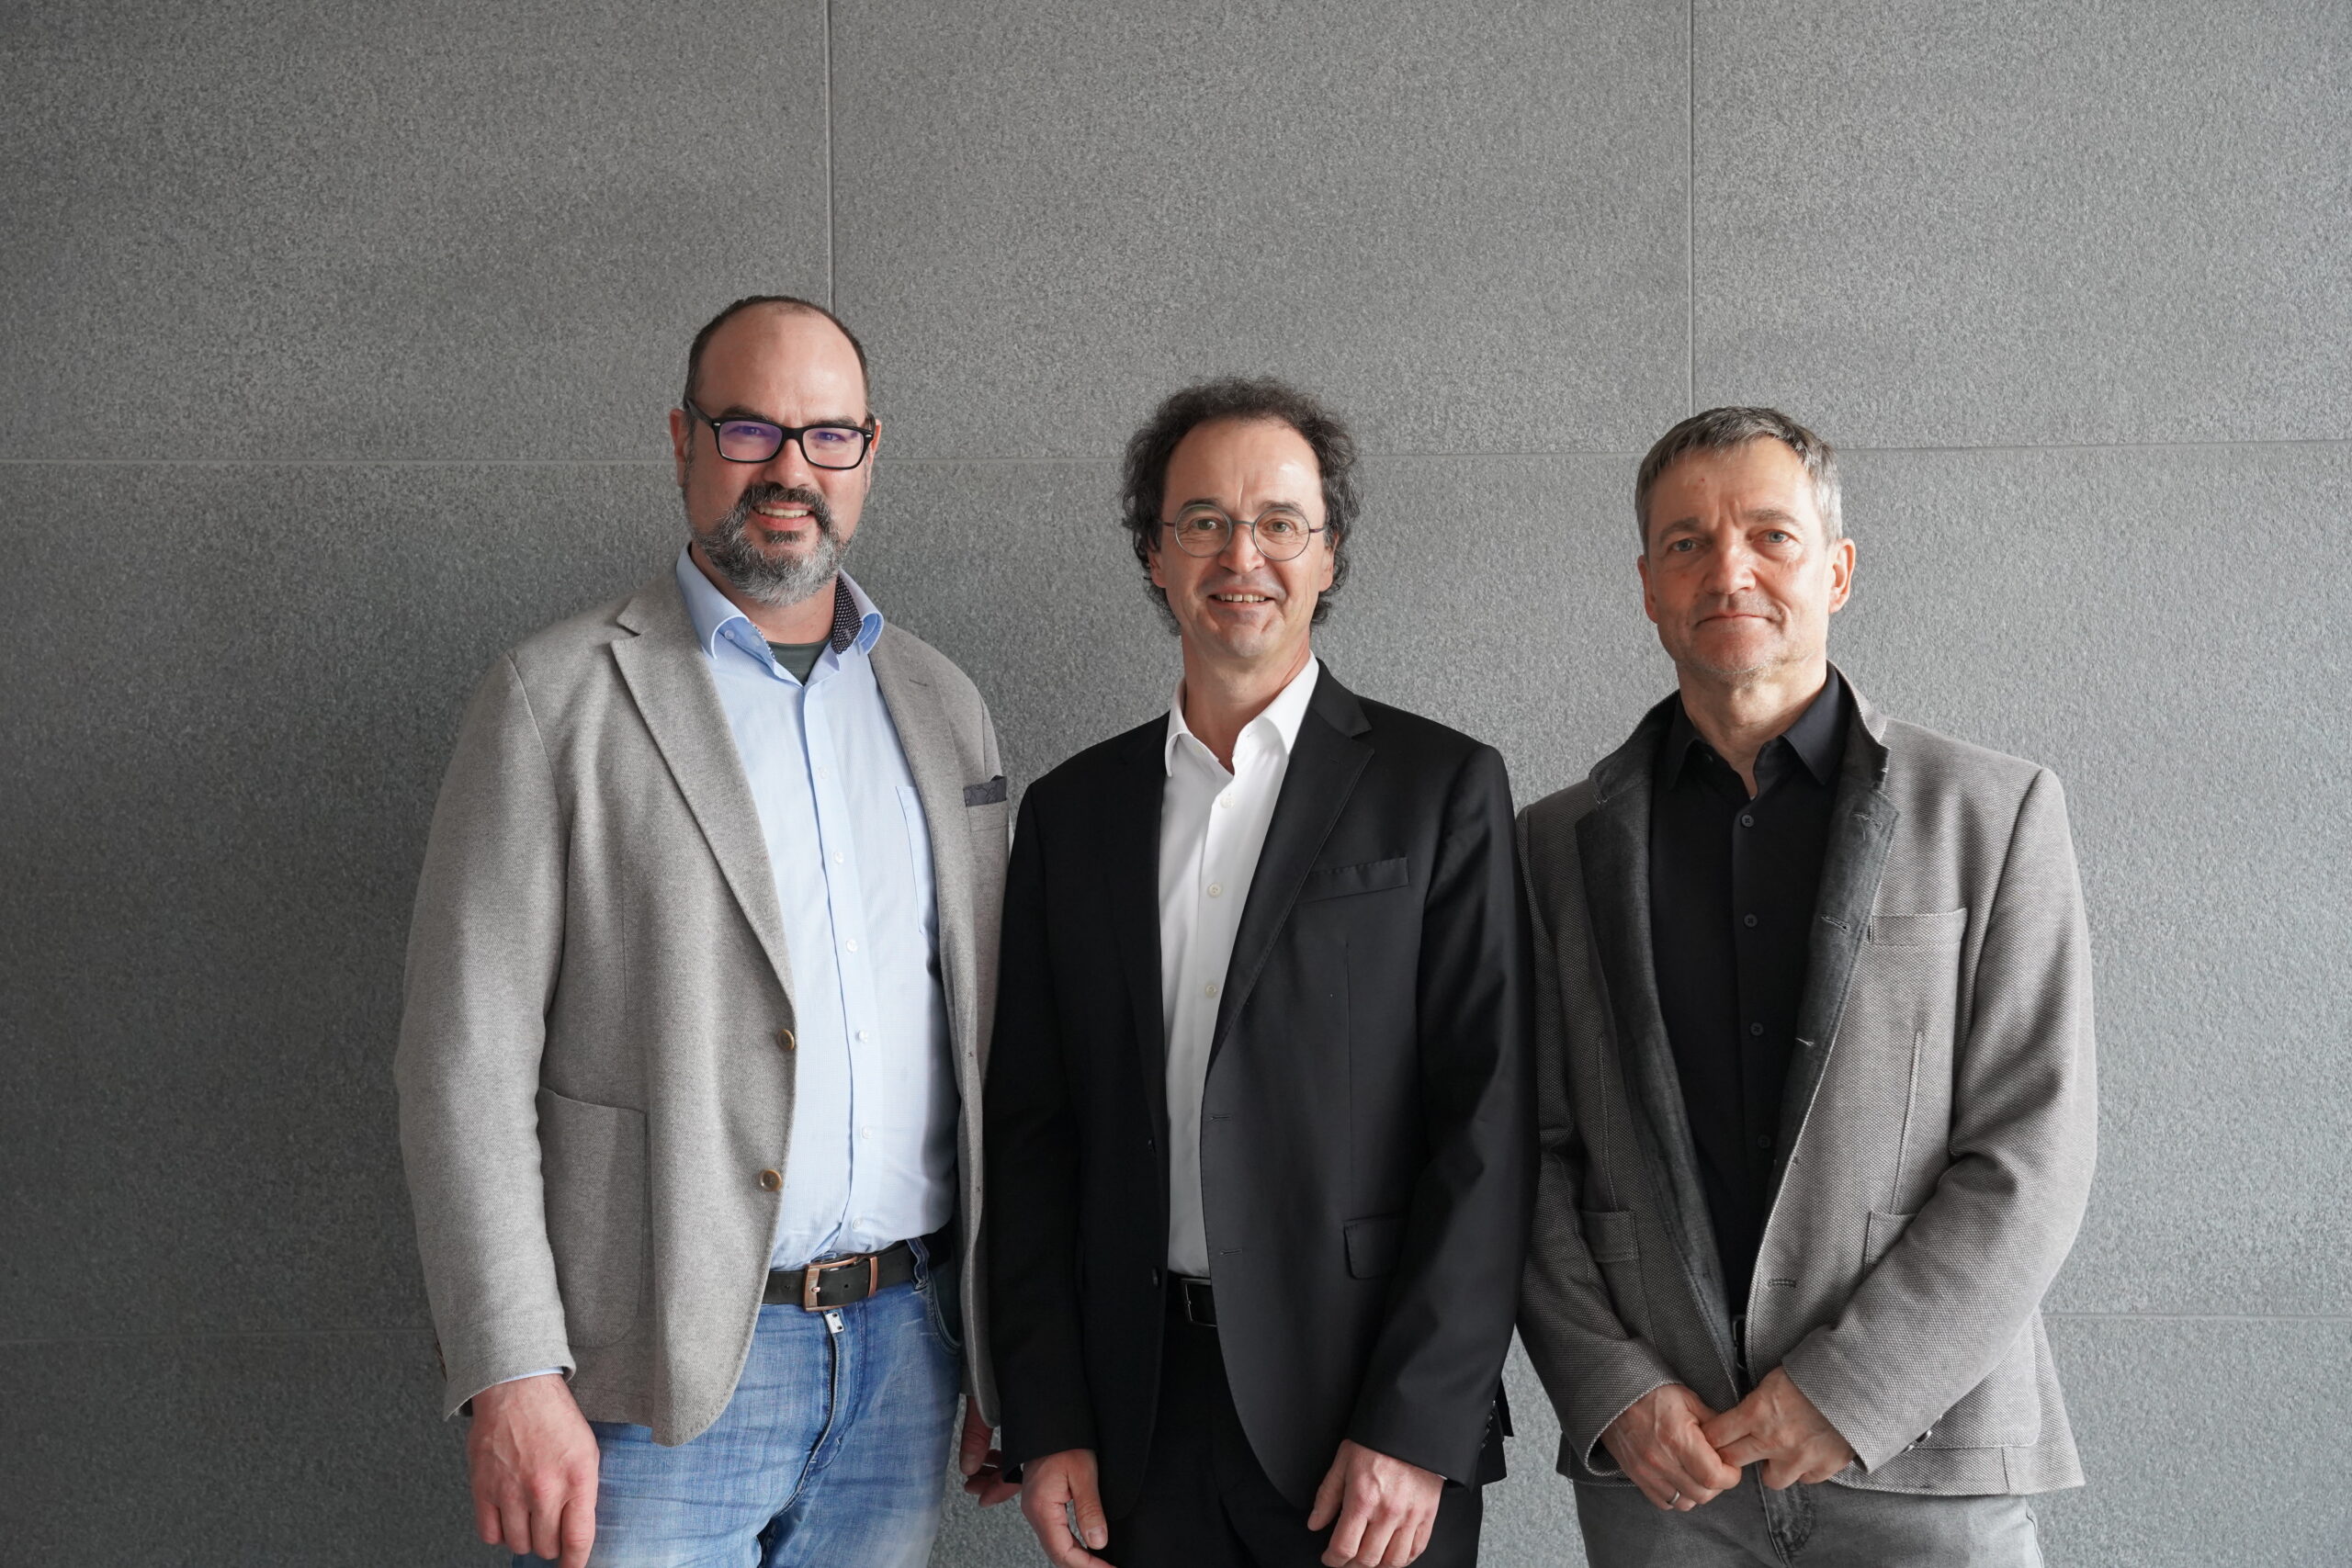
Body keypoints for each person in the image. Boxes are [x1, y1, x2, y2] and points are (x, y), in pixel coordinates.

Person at [394, 295, 1018, 1568]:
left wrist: (1005, 1348)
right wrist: (511, 1366)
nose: (790, 466)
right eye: (749, 426)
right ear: (683, 438)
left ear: (868, 455)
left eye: (827, 434)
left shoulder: (943, 706)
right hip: (649, 1383)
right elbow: (461, 1063)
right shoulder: (554, 699)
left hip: (908, 1357)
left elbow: (985, 1043)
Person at [1516, 407, 2096, 1564]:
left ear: (1835, 570)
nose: (1726, 568)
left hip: (1924, 1455)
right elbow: (1524, 1156)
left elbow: (2032, 1154)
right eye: (1686, 543)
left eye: (1768, 536)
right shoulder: (1549, 847)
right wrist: (1611, 1387)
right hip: (1666, 1477)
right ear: (1645, 584)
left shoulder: (1995, 812)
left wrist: (1847, 1388)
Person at [986, 378, 1532, 1568]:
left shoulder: (1440, 790)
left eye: (1281, 520)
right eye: (1204, 521)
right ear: (1154, 553)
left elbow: (1487, 1128)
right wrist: (1049, 1416)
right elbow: (1032, 1133)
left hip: (1363, 1436)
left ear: (1328, 554)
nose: (1245, 553)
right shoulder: (1072, 814)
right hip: (1137, 1422)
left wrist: (1414, 1419)